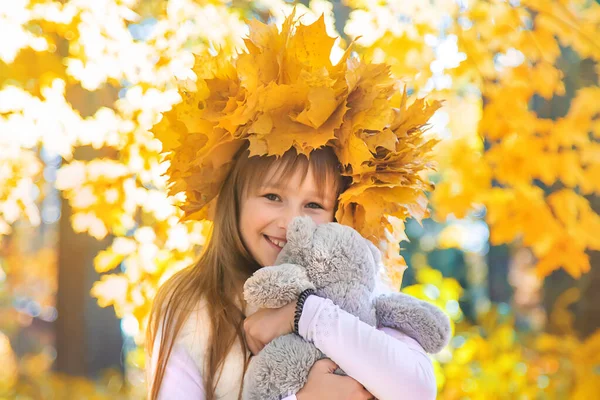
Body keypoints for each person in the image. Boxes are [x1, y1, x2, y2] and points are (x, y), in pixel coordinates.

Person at [146, 10, 445, 400]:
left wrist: (307, 313)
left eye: (314, 206)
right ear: (235, 199)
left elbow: (417, 390)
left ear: (339, 212)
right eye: (272, 197)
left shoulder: (357, 294)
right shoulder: (192, 306)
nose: (292, 223)